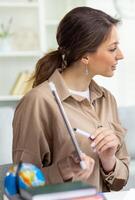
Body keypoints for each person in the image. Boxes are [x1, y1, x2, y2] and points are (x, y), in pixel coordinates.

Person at [12, 7, 129, 192]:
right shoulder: (37, 102)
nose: (120, 55)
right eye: (112, 48)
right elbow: (19, 185)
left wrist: (109, 161)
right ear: (85, 56)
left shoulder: (107, 99)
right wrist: (63, 170)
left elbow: (119, 182)